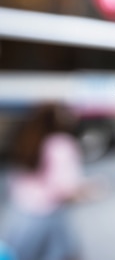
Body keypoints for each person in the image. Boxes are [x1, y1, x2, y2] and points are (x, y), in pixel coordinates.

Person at [0, 103, 91, 260]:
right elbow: (66, 188)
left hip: (21, 213)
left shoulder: (27, 137)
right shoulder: (61, 143)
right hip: (49, 215)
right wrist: (89, 190)